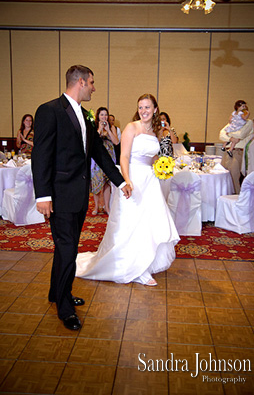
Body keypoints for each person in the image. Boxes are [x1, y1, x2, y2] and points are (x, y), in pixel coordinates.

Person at [31, 65, 131, 331]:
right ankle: (65, 308)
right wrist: (43, 195)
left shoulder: (86, 117)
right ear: (81, 82)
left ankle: (56, 292)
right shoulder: (49, 110)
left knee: (68, 248)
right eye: (92, 83)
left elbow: (99, 154)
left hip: (79, 197)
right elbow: (40, 156)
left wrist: (120, 182)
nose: (94, 88)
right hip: (59, 196)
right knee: (67, 249)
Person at [76, 94, 180, 286]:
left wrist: (161, 165)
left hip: (150, 180)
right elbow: (123, 157)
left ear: (155, 109)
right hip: (132, 177)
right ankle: (133, 268)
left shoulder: (157, 132)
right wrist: (126, 180)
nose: (144, 111)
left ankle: (145, 265)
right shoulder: (132, 127)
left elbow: (158, 153)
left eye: (147, 107)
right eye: (141, 107)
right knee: (131, 223)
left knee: (149, 223)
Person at [219, 102, 253, 194]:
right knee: (223, 176)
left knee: (233, 178)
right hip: (227, 151)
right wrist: (230, 138)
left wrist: (229, 134)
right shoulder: (233, 122)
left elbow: (240, 135)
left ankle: (235, 199)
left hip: (237, 151)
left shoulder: (248, 122)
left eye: (244, 107)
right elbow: (221, 134)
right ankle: (224, 199)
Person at [90, 107, 119, 215]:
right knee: (97, 181)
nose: (104, 117)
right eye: (102, 115)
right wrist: (100, 129)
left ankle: (107, 207)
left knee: (107, 182)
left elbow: (116, 142)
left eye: (106, 115)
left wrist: (108, 130)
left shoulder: (112, 127)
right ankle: (96, 207)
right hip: (97, 157)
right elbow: (92, 140)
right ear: (98, 116)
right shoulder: (93, 127)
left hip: (109, 156)